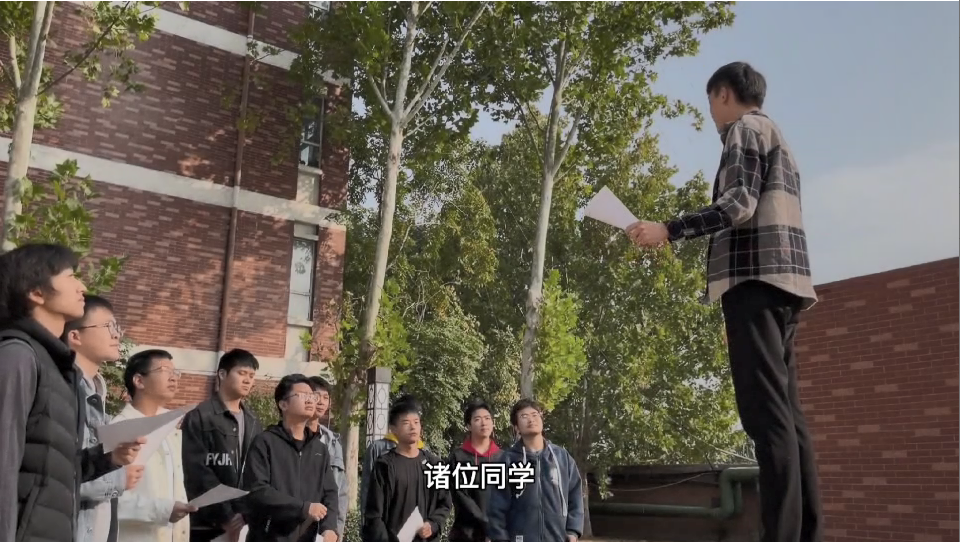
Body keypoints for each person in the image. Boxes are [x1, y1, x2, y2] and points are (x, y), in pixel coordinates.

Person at [626, 61, 822, 542]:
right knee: (788, 418)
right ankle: (804, 532)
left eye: (711, 101)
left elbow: (738, 204)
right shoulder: (779, 138)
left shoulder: (744, 130)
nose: (712, 112)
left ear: (723, 94)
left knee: (766, 418)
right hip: (785, 285)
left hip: (753, 281)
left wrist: (668, 229)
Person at [0, 243, 143, 542]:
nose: (82, 287)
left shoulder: (57, 368)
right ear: (36, 293)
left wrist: (106, 458)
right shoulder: (18, 356)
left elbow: (53, 472)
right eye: (70, 276)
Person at [63, 294, 145, 542]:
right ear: (75, 336)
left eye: (117, 327)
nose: (116, 335)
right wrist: (118, 478)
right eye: (108, 326)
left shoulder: (96, 391)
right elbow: (58, 475)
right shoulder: (65, 391)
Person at [241, 374, 339, 542]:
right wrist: (303, 508)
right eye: (302, 395)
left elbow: (330, 492)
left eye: (312, 396)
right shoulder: (265, 442)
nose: (310, 400)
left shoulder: (319, 449)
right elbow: (258, 491)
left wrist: (329, 527)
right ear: (283, 404)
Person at [114, 349, 196, 542]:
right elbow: (109, 499)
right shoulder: (120, 429)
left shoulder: (170, 428)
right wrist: (163, 510)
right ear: (139, 381)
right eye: (164, 371)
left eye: (175, 372)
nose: (173, 378)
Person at [182, 348, 263, 542]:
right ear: (222, 374)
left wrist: (245, 514)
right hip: (206, 523)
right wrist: (226, 515)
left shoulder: (253, 421)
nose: (247, 380)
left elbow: (257, 473)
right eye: (241, 373)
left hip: (244, 523)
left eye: (251, 376)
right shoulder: (200, 416)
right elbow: (196, 471)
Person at [487, 399, 583, 542]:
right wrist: (500, 538)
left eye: (534, 414)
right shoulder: (507, 460)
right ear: (516, 427)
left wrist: (573, 531)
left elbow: (575, 496)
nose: (531, 419)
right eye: (524, 416)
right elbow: (495, 507)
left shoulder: (561, 457)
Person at [362, 398, 452, 542]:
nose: (412, 427)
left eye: (416, 422)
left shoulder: (434, 464)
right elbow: (374, 514)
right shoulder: (384, 465)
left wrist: (433, 524)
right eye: (406, 423)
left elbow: (444, 504)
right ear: (393, 429)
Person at [359, 394, 428, 527]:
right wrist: (369, 526)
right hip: (385, 525)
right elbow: (368, 490)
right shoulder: (378, 448)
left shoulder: (426, 454)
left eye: (416, 420)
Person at [448, 400, 503, 542]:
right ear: (468, 426)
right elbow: (460, 495)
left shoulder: (503, 458)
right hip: (466, 534)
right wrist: (486, 523)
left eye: (487, 418)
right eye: (477, 419)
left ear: (493, 423)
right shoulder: (458, 457)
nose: (484, 423)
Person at [307, 376, 348, 540]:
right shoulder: (282, 440)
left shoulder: (333, 442)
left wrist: (336, 530)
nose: (322, 402)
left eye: (326, 397)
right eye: (317, 396)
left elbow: (340, 490)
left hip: (325, 530)